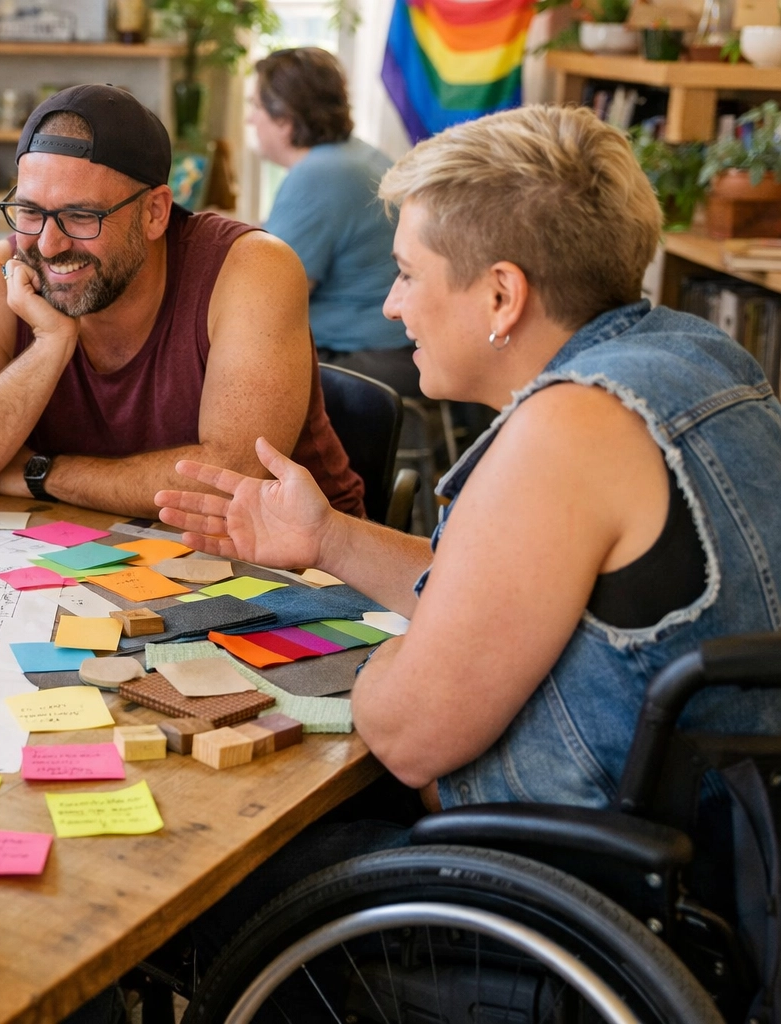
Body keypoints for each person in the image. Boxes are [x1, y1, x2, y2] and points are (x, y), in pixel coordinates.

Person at [159, 104, 781, 815]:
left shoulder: (568, 429)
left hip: (549, 872)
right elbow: (503, 595)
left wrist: (391, 666)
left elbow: (406, 736)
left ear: (500, 295)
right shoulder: (697, 352)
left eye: (407, 274)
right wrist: (328, 538)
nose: (391, 306)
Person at [0, 84, 365, 519]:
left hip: (296, 573)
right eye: (30, 212)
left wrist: (40, 473)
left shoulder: (252, 267)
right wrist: (50, 345)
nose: (49, 244)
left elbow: (230, 484)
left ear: (155, 211)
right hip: (91, 557)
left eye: (81, 216)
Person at [250, 48, 417, 396]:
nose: (251, 119)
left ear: (284, 119)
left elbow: (267, 292)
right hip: (399, 343)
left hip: (368, 353)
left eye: (256, 106)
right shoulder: (355, 154)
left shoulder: (317, 175)